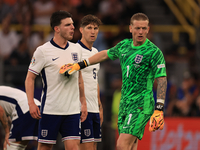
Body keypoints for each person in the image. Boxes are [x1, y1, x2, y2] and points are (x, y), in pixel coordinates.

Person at [62, 13, 167, 150]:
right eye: (137, 28)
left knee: (121, 145)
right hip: (125, 104)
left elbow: (162, 80)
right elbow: (105, 54)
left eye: (144, 28)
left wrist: (159, 108)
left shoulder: (154, 52)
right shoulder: (124, 46)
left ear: (148, 29)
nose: (140, 32)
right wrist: (80, 64)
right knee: (131, 145)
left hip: (141, 104)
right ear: (130, 28)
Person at [25, 10, 87, 150]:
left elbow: (80, 78)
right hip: (51, 110)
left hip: (72, 110)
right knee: (44, 147)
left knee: (74, 147)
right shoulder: (43, 51)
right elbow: (30, 78)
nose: (73, 27)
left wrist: (83, 103)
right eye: (68, 25)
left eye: (72, 24)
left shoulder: (77, 49)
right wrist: (31, 103)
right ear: (57, 28)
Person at [76, 14, 103, 150]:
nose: (93, 31)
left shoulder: (96, 52)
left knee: (93, 147)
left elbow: (95, 80)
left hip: (94, 108)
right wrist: (82, 103)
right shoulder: (75, 51)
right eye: (89, 28)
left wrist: (99, 105)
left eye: (95, 28)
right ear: (81, 29)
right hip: (81, 108)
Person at [0, 86, 40, 150]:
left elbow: (0, 110)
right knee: (19, 147)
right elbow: (5, 113)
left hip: (24, 109)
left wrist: (7, 133)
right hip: (36, 107)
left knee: (9, 147)